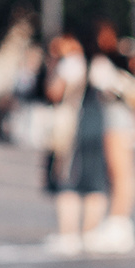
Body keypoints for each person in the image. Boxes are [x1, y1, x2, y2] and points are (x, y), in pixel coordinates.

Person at [43, 35, 108, 256]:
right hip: (97, 127)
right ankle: (90, 233)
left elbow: (53, 92)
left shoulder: (69, 64)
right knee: (95, 182)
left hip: (73, 129)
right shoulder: (101, 64)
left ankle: (68, 235)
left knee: (67, 182)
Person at [87, 24, 135, 254]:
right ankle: (116, 223)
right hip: (115, 122)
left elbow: (129, 93)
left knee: (121, 174)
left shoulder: (109, 67)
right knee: (117, 175)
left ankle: (118, 224)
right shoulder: (111, 65)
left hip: (116, 123)